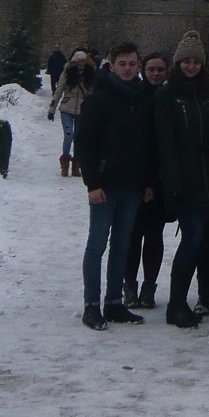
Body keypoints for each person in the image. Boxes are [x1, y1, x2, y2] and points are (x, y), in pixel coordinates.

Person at [76, 40, 155, 329]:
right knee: (96, 246)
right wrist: (92, 183)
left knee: (122, 246)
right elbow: (84, 143)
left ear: (139, 65)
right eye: (122, 64)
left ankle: (113, 303)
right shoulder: (98, 100)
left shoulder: (142, 100)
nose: (127, 69)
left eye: (132, 63)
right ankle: (91, 305)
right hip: (105, 187)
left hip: (132, 187)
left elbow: (148, 145)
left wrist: (148, 182)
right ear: (111, 66)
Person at [153, 31, 209, 329]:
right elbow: (165, 144)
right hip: (185, 182)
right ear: (178, 63)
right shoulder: (167, 95)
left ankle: (194, 298)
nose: (191, 66)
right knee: (190, 242)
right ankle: (176, 303)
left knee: (201, 243)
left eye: (196, 61)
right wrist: (173, 186)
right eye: (186, 61)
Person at [123, 51, 169, 309]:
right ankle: (129, 285)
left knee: (154, 235)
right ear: (144, 70)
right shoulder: (135, 95)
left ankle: (149, 286)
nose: (155, 73)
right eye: (151, 69)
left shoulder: (169, 97)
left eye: (160, 69)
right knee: (132, 235)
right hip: (136, 176)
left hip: (161, 177)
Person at [48, 49, 94, 177]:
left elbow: (93, 93)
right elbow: (59, 90)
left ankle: (76, 165)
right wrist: (52, 109)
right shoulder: (67, 73)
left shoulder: (90, 74)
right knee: (68, 135)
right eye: (78, 62)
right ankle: (65, 162)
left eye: (83, 62)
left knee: (78, 138)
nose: (80, 65)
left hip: (82, 109)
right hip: (67, 108)